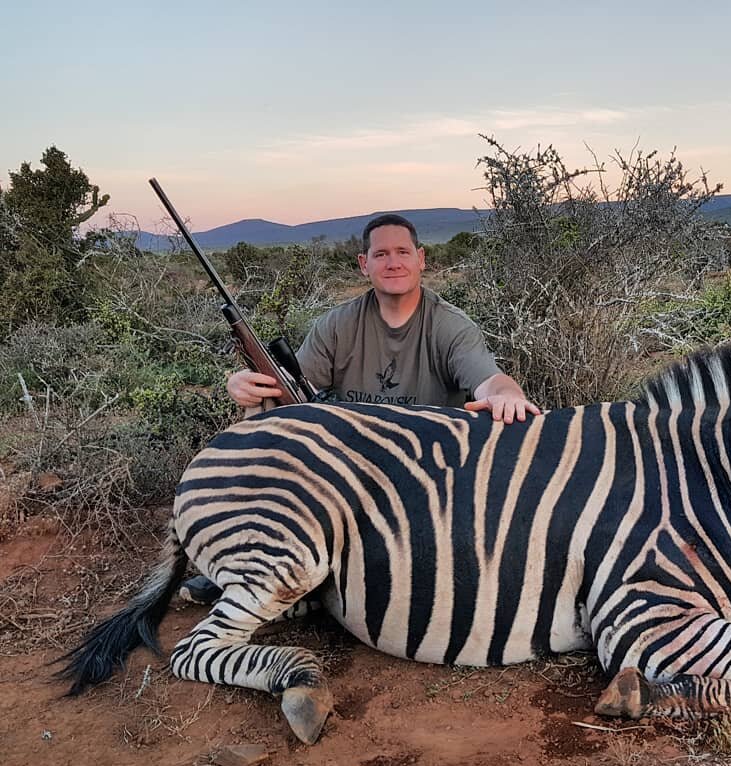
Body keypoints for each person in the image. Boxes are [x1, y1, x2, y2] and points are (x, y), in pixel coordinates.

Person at [180, 213, 540, 604]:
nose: (393, 262)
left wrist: (508, 395)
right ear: (363, 263)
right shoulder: (337, 324)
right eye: (380, 253)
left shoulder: (451, 326)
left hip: (428, 475)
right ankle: (250, 561)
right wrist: (243, 384)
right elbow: (293, 391)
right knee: (263, 412)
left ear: (421, 258)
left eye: (402, 252)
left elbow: (492, 381)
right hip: (351, 473)